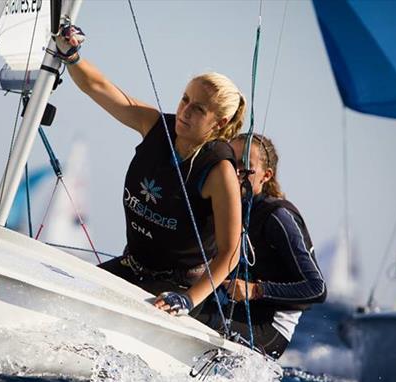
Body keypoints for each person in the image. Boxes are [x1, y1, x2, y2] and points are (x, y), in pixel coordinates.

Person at [55, 24, 244, 319]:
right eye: (185, 100)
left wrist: (188, 299)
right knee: (64, 298)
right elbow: (100, 87)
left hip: (176, 288)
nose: (185, 111)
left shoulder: (218, 170)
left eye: (199, 109)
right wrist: (71, 56)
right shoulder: (156, 127)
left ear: (218, 124)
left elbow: (230, 252)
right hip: (131, 265)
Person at [218, 133, 327, 358]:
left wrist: (256, 290)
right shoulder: (226, 206)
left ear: (265, 176)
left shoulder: (278, 217)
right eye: (230, 163)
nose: (235, 172)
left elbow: (318, 289)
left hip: (270, 329)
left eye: (245, 167)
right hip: (232, 310)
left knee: (193, 315)